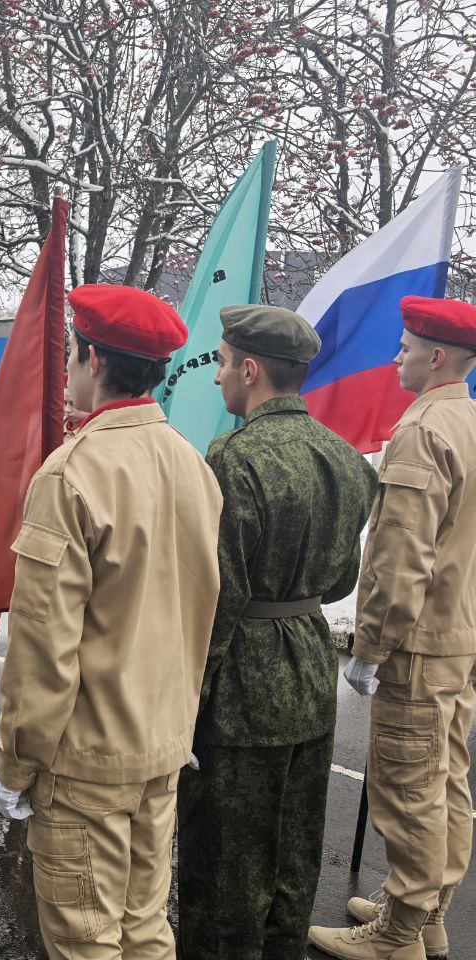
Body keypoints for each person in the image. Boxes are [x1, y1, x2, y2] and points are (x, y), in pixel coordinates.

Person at [0, 284, 222, 959]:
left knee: (86, 938)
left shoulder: (71, 474)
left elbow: (42, 649)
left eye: (74, 354)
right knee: (144, 927)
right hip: (162, 741)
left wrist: (17, 763)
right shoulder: (190, 461)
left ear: (92, 359)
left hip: (88, 757)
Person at [178, 306, 378, 960]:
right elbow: (342, 580)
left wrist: (187, 705)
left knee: (225, 867)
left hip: (242, 687)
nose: (217, 379)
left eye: (223, 363)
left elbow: (220, 597)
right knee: (294, 856)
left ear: (252, 368)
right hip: (311, 671)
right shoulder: (349, 462)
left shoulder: (233, 458)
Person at [309, 296, 476, 960]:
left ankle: (398, 934)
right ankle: (428, 912)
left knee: (409, 785)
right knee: (447, 779)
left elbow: (403, 554)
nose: (395, 356)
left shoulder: (423, 430)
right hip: (459, 633)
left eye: (404, 348)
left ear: (436, 357)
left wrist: (371, 645)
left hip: (419, 641)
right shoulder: (467, 419)